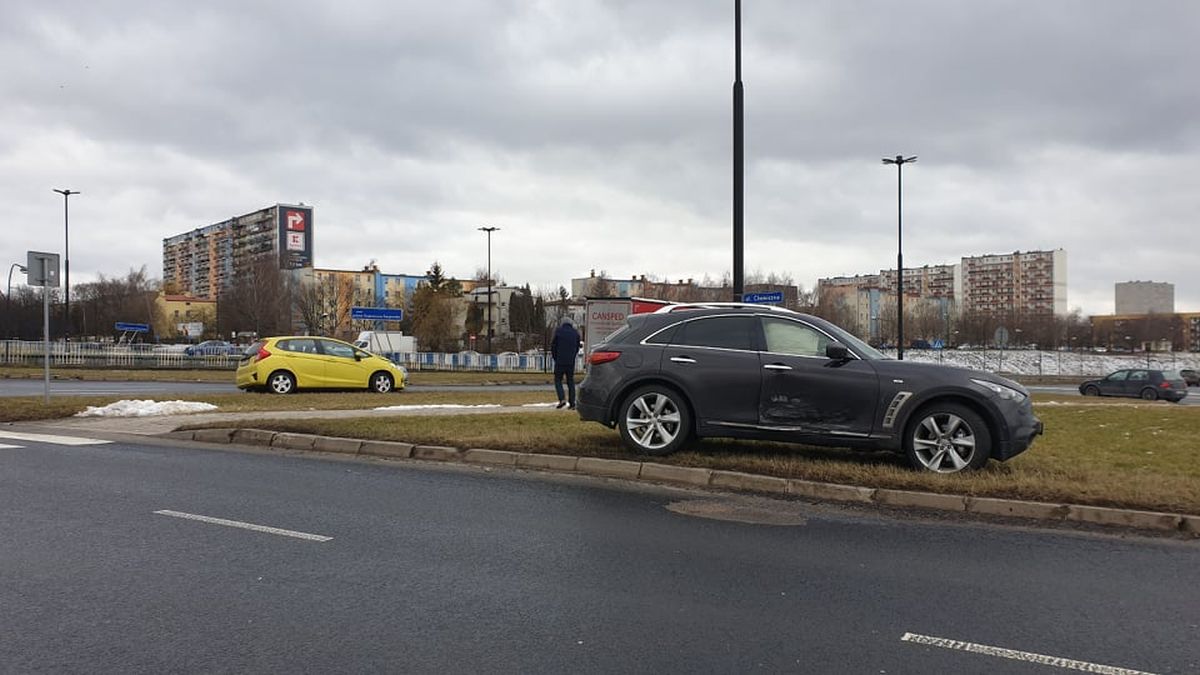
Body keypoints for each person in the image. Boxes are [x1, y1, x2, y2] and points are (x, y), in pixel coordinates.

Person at [550, 315, 582, 409]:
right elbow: (577, 347)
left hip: (560, 360)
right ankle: (572, 403)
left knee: (558, 380)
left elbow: (553, 346)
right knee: (570, 381)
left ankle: (562, 399)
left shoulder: (558, 332)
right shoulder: (575, 333)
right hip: (570, 361)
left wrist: (555, 357)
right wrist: (572, 356)